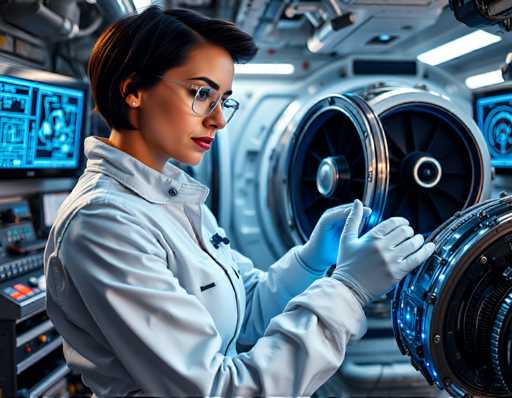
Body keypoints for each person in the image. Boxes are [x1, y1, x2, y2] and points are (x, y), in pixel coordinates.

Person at [43, 6, 436, 396]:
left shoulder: (171, 195)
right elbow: (218, 390)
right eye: (201, 94)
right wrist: (349, 289)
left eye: (224, 100)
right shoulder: (104, 223)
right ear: (133, 91)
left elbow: (244, 309)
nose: (219, 120)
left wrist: (312, 260)